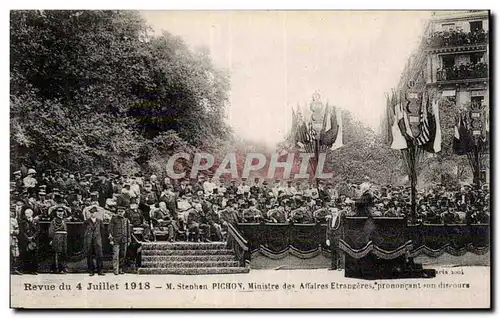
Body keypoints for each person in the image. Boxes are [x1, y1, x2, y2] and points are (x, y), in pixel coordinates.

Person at [109, 202, 131, 275]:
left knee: (123, 255)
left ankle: (121, 269)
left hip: (124, 240)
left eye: (122, 212)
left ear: (124, 212)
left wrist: (128, 240)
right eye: (119, 211)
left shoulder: (126, 220)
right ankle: (116, 270)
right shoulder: (113, 219)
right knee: (116, 255)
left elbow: (128, 231)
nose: (120, 213)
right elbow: (110, 229)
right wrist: (111, 239)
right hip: (116, 240)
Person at [83, 207, 105, 276]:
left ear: (96, 213)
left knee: (99, 255)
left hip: (97, 240)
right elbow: (83, 231)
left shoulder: (100, 221)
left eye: (94, 212)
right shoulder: (86, 222)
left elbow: (102, 231)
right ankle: (91, 270)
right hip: (89, 240)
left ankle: (100, 270)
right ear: (90, 213)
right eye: (91, 212)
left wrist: (100, 239)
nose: (93, 214)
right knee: (89, 255)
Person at [19, 209, 40, 274]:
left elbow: (38, 230)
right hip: (26, 240)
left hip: (34, 240)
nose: (27, 215)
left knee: (34, 255)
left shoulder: (36, 221)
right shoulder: (23, 221)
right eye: (26, 213)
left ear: (32, 213)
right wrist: (27, 238)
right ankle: (26, 269)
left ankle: (34, 270)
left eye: (28, 213)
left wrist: (33, 237)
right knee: (26, 254)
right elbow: (22, 231)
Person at [48, 207, 68, 273]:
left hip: (64, 237)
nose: (60, 213)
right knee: (57, 253)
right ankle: (57, 268)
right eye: (58, 212)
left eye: (61, 212)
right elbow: (51, 231)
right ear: (56, 213)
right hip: (57, 237)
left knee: (63, 252)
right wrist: (51, 239)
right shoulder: (53, 221)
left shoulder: (63, 220)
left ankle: (62, 267)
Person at [10, 207, 22, 275]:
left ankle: (15, 269)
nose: (12, 213)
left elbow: (17, 231)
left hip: (13, 238)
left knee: (16, 253)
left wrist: (14, 232)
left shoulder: (14, 220)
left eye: (13, 212)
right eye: (10, 211)